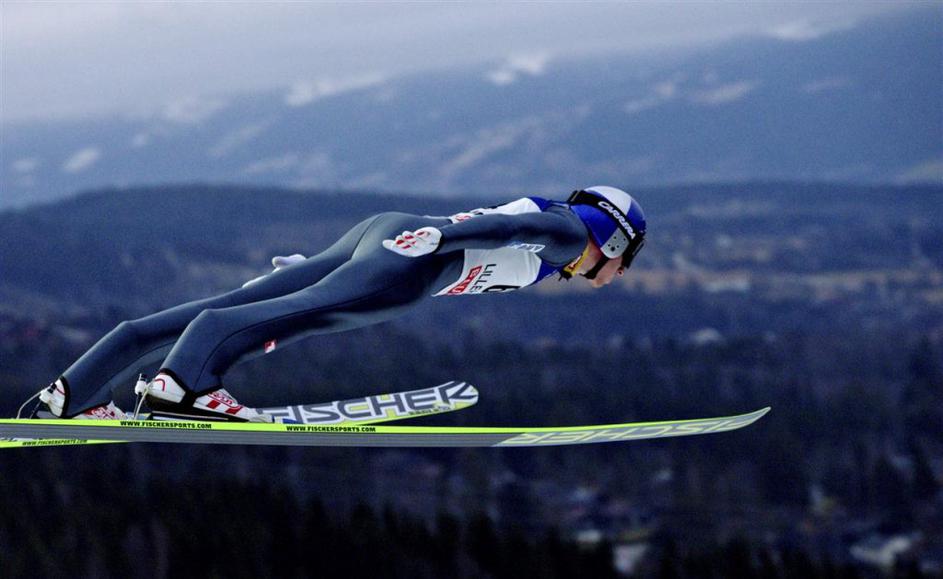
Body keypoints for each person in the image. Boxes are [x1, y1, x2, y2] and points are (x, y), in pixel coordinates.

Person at [34, 186, 647, 420]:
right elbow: (502, 233)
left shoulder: (556, 223)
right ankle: (184, 387)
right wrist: (443, 239)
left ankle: (73, 392)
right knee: (302, 314)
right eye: (627, 258)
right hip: (417, 257)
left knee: (250, 301)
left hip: (383, 234)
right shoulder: (571, 231)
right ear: (613, 237)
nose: (618, 274)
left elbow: (505, 227)